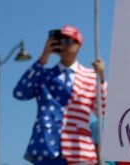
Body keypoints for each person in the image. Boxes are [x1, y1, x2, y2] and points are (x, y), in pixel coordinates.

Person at [13, 25, 107, 165]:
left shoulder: (90, 76)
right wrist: (43, 58)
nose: (63, 44)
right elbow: (20, 92)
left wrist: (102, 79)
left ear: (79, 45)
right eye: (60, 40)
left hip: (79, 149)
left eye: (68, 41)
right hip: (47, 147)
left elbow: (104, 111)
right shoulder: (44, 75)